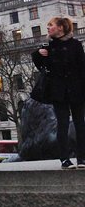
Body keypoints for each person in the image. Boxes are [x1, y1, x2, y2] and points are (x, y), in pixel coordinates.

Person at [32, 17, 85, 169]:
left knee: (80, 124)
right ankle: (64, 159)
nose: (48, 28)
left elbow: (82, 67)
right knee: (62, 124)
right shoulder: (48, 46)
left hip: (76, 90)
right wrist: (37, 55)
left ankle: (81, 158)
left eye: (51, 25)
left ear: (61, 27)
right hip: (58, 92)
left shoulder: (75, 44)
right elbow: (40, 67)